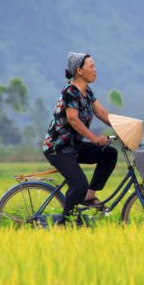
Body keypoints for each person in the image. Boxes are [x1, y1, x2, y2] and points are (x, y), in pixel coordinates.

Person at [42, 52, 118, 223]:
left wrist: (125, 128)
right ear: (80, 71)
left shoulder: (87, 92)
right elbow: (73, 119)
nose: (95, 70)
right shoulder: (71, 91)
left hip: (74, 146)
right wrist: (94, 138)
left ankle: (89, 196)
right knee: (79, 184)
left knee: (109, 154)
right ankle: (65, 224)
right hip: (58, 148)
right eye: (91, 66)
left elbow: (103, 114)